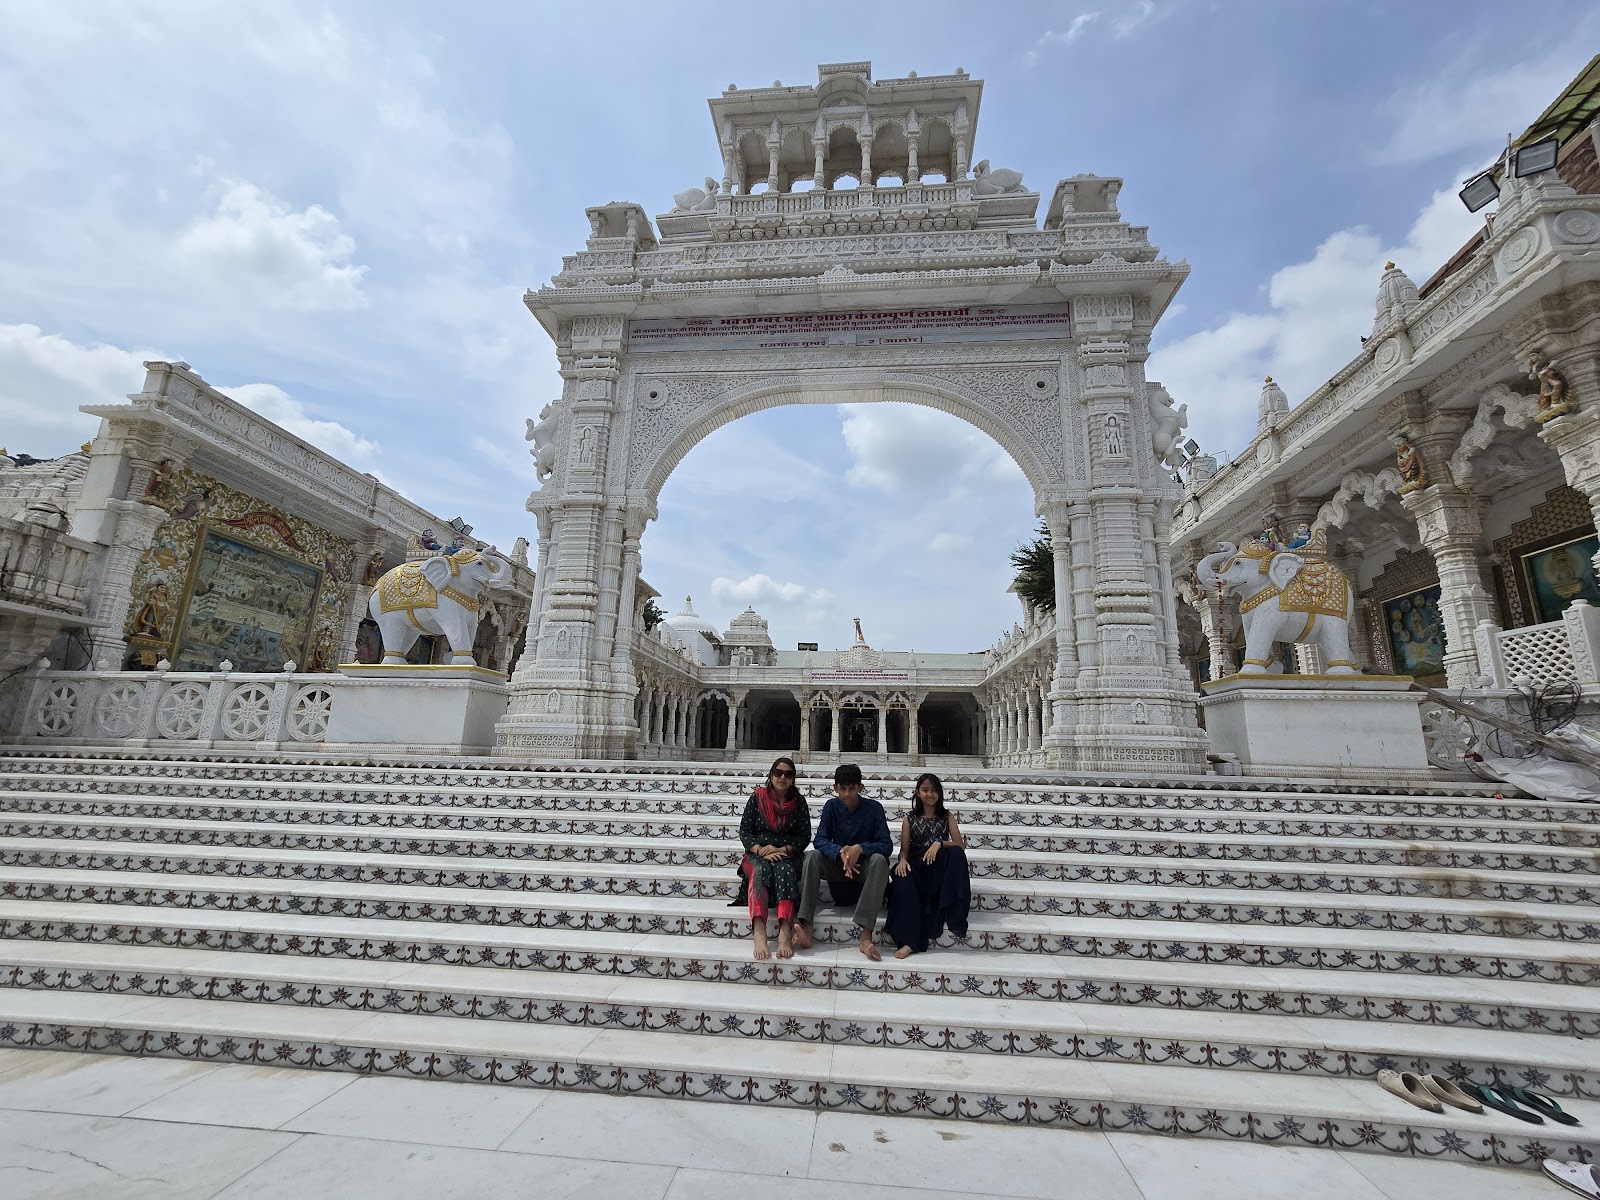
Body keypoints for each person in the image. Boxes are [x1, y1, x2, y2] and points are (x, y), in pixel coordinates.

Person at [797, 763, 893, 961]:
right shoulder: (831, 806)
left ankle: (866, 935)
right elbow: (820, 839)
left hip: (863, 870)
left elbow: (886, 845)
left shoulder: (874, 808)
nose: (847, 794)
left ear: (861, 787)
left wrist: (860, 849)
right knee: (812, 856)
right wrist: (840, 852)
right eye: (843, 788)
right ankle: (806, 926)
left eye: (852, 788)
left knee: (879, 861)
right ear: (835, 788)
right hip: (838, 868)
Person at [885, 773, 971, 958]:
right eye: (925, 790)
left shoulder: (947, 816)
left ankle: (954, 909)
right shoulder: (909, 818)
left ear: (939, 793)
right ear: (918, 792)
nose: (930, 794)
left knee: (956, 854)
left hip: (938, 871)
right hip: (917, 867)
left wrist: (940, 842)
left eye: (934, 790)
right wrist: (902, 861)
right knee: (902, 877)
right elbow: (904, 850)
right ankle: (909, 941)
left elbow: (960, 845)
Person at [737, 756, 811, 960]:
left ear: (793, 778)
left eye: (788, 774)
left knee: (784, 870)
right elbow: (745, 831)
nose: (782, 777)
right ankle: (759, 932)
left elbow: (804, 837)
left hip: (787, 856)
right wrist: (761, 850)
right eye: (778, 773)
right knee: (760, 870)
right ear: (771, 775)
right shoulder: (757, 798)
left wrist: (783, 849)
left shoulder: (799, 802)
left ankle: (785, 933)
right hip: (757, 853)